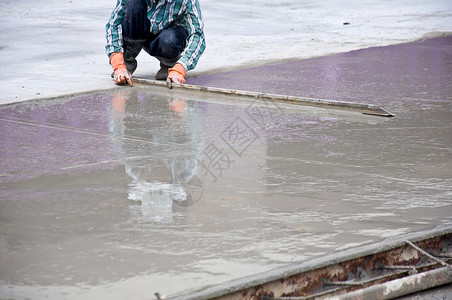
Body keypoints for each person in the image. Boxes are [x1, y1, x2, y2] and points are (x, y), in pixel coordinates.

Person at [105, 0, 206, 86]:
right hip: (141, 31)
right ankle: (126, 63)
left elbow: (198, 35)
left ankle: (169, 64)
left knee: (169, 39)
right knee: (133, 4)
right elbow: (113, 24)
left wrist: (180, 68)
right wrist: (118, 64)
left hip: (168, 38)